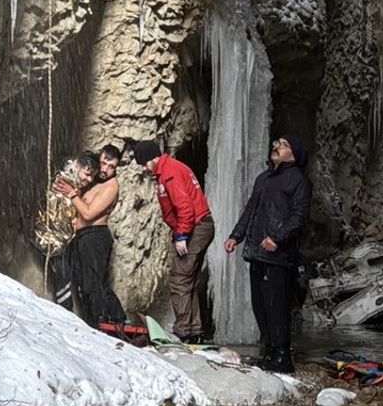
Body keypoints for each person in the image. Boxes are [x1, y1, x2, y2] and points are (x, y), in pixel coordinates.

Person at [225, 135, 312, 373]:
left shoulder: (298, 180)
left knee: (277, 305)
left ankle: (283, 355)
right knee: (260, 305)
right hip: (257, 251)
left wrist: (278, 238)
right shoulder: (263, 179)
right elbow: (250, 211)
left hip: (279, 255)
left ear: (294, 155)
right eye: (276, 144)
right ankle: (269, 352)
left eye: (283, 145)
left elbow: (299, 217)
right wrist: (236, 236)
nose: (276, 146)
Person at [134, 140, 215, 344]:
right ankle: (194, 330)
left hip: (195, 227)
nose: (144, 169)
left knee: (179, 279)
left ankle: (183, 332)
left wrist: (181, 236)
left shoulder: (170, 173)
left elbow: (185, 207)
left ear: (153, 158)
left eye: (144, 164)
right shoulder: (168, 170)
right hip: (199, 225)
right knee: (189, 280)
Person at [53, 153, 127, 328]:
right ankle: (105, 320)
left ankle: (107, 322)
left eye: (112, 167)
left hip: (95, 235)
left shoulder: (111, 186)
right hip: (82, 237)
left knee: (93, 283)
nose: (106, 169)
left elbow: (88, 213)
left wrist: (72, 194)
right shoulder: (93, 182)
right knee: (86, 284)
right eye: (104, 163)